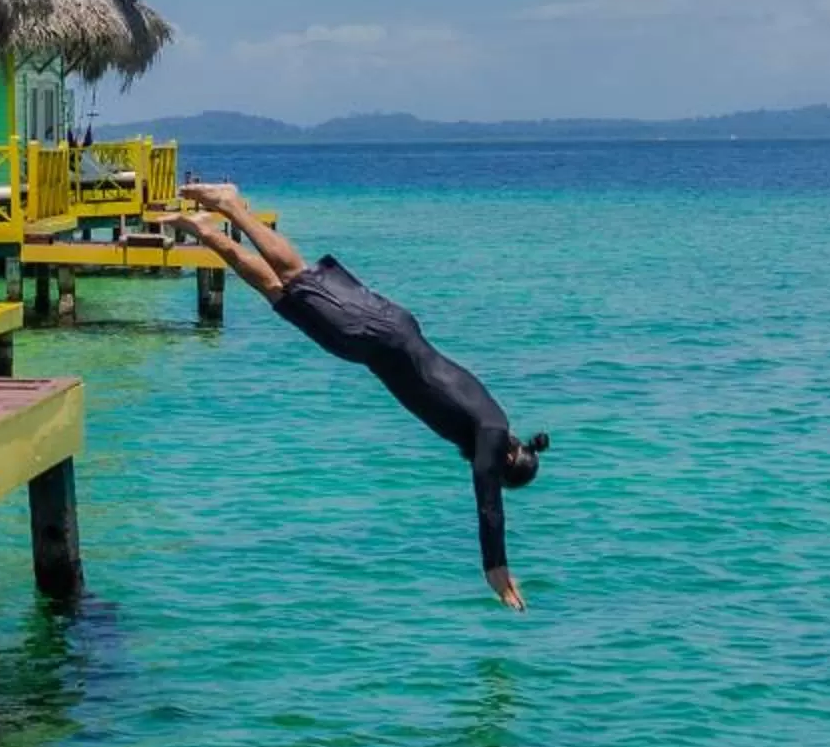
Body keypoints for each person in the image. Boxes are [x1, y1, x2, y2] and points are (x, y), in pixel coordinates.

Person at [164, 182, 547, 610]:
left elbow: (488, 492)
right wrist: (495, 566)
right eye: (496, 471)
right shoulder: (493, 428)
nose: (487, 471)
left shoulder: (480, 428)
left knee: (276, 293)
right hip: (382, 333)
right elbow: (489, 505)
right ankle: (232, 206)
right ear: (509, 457)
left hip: (369, 345)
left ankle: (203, 229)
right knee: (296, 276)